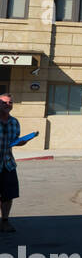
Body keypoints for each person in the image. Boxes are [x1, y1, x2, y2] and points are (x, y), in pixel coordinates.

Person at [0, 93, 33, 233]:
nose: (8, 105)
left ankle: (5, 221)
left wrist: (22, 142)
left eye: (10, 103)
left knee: (8, 195)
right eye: (4, 103)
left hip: (8, 164)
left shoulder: (14, 122)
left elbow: (14, 141)